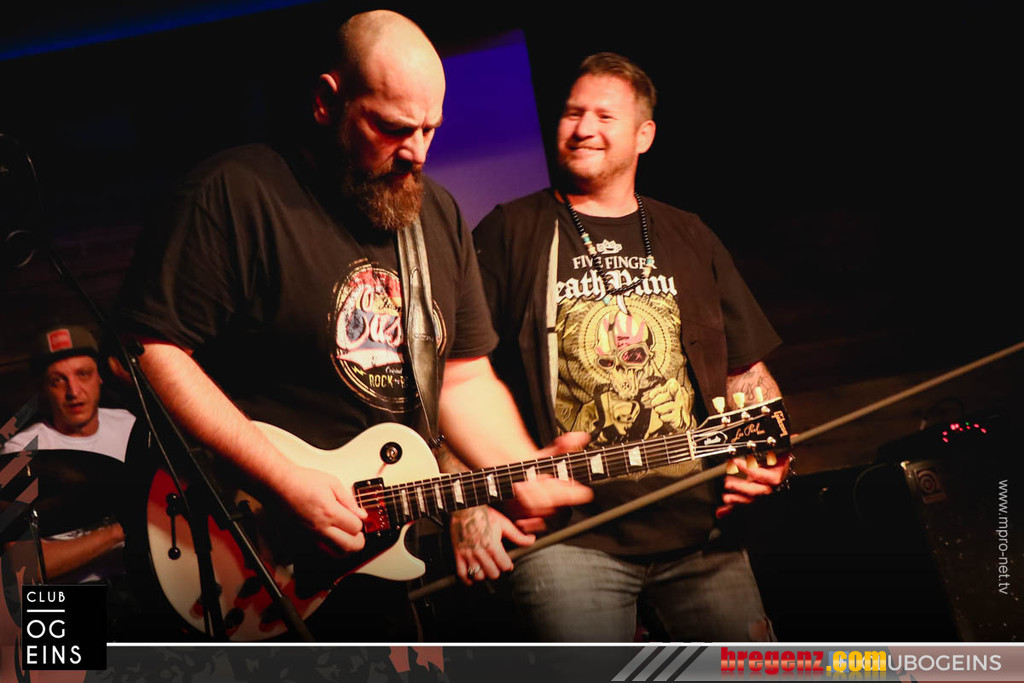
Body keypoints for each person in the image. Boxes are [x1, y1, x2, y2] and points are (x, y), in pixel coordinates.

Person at [116, 10, 589, 640]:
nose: (417, 152)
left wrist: (521, 467)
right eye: (393, 128)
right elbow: (149, 349)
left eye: (430, 128)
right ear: (326, 102)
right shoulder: (234, 194)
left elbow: (463, 379)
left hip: (373, 558)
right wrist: (283, 481)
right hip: (244, 539)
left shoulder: (436, 216)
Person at [468, 52, 791, 641]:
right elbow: (455, 375)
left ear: (644, 135)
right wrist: (469, 505)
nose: (582, 128)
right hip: (567, 541)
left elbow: (746, 371)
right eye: (572, 113)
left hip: (702, 535)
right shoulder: (509, 230)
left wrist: (770, 455)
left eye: (604, 116)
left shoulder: (689, 233)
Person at [1, 324, 133, 584]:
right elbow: (24, 566)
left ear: (100, 376)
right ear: (43, 389)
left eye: (83, 374)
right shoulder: (19, 452)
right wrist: (117, 533)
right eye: (58, 380)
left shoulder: (130, 425)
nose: (73, 391)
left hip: (140, 583)